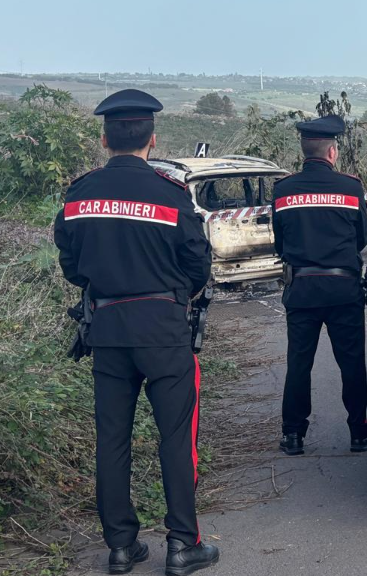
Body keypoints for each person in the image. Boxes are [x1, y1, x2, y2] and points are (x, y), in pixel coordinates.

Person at [53, 89, 219, 576]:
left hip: (105, 330)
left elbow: (71, 265)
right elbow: (197, 263)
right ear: (152, 138)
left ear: (105, 139)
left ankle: (122, 547)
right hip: (164, 331)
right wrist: (169, 295)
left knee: (112, 439)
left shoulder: (78, 194)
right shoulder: (170, 194)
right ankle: (183, 545)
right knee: (175, 437)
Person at [272, 114, 367, 457]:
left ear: (304, 151)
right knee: (351, 364)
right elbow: (361, 238)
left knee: (299, 364)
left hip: (301, 289)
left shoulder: (283, 190)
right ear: (332, 152)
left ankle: (293, 435)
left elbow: (279, 244)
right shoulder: (351, 188)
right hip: (343, 290)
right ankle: (359, 433)